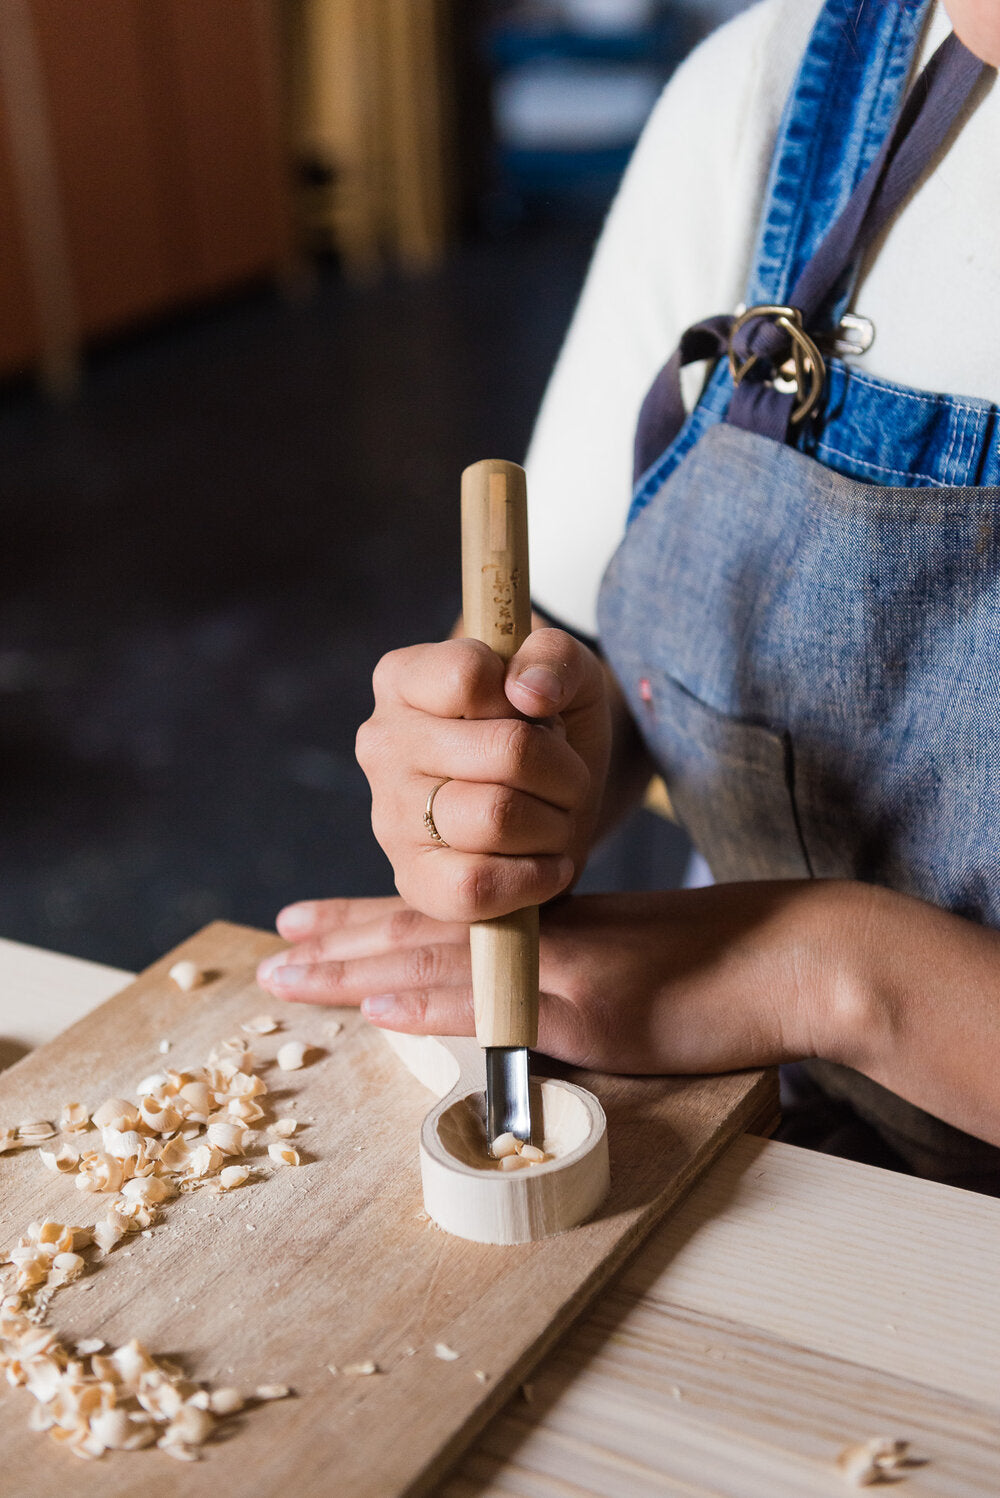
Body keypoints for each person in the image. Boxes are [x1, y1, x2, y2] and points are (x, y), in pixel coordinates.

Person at [258, 0, 1000, 1193]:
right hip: (774, 1133)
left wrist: (821, 970)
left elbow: (801, 969)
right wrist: (513, 768)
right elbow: (567, 627)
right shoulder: (783, 91)